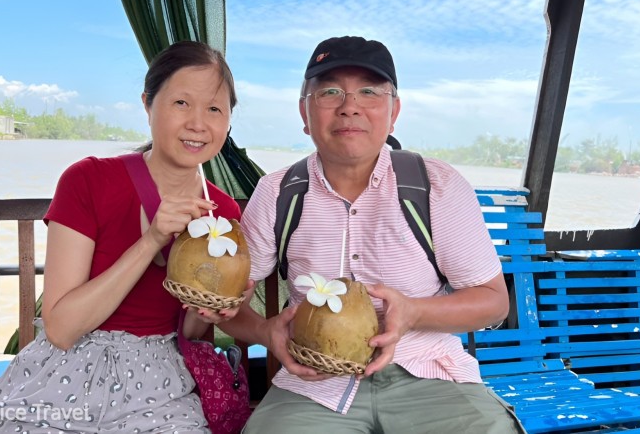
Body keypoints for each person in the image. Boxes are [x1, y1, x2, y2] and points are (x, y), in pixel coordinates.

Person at [219, 36, 526, 433]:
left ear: (393, 111)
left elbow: (493, 302)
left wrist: (414, 312)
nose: (350, 106)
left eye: (369, 91)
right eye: (330, 91)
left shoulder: (437, 185)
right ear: (304, 112)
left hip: (429, 373)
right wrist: (264, 331)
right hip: (313, 384)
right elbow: (229, 303)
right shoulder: (279, 191)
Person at [0, 41, 251, 433]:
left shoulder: (221, 212)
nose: (198, 123)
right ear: (147, 103)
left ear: (227, 120)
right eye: (181, 103)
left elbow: (188, 331)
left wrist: (210, 309)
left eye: (214, 109)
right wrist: (152, 239)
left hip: (162, 381)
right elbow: (61, 328)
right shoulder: (88, 180)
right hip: (65, 368)